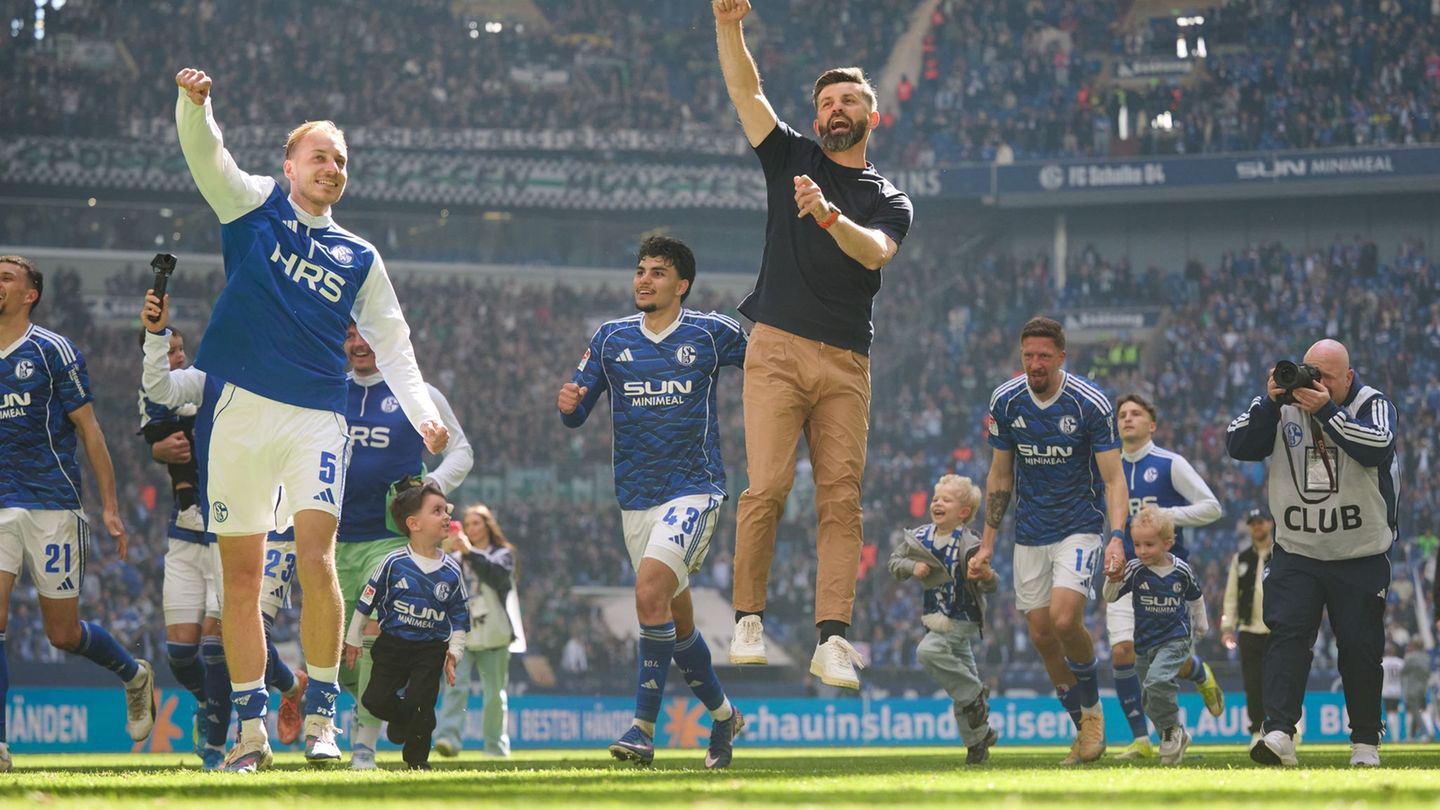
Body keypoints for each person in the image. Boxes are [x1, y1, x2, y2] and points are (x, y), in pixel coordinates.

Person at [174, 68, 448, 771]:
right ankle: (252, 732)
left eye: (342, 161)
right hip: (236, 412)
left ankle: (323, 722)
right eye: (321, 156)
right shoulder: (255, 206)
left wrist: (421, 415)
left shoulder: (360, 255)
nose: (333, 168)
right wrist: (195, 107)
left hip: (316, 417)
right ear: (290, 165)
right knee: (240, 578)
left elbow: (394, 343)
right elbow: (208, 159)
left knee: (316, 560)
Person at [711, 0, 914, 689]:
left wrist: (827, 216)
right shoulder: (791, 155)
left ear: (870, 115)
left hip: (846, 361)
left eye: (848, 98)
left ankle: (833, 638)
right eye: (826, 99)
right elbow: (747, 91)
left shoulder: (889, 197)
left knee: (841, 498)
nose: (834, 108)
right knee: (765, 486)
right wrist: (728, 26)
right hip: (775, 347)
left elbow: (875, 254)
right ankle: (748, 619)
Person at [557, 236, 747, 768]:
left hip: (695, 488)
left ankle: (641, 729)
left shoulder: (711, 333)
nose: (644, 279)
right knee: (675, 623)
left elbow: (768, 361)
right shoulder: (611, 337)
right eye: (640, 270)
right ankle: (726, 715)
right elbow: (577, 408)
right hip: (636, 499)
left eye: (658, 272)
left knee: (646, 595)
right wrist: (569, 404)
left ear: (681, 284)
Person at [140, 292, 309, 767]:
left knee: (219, 640)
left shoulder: (276, 375)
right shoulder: (201, 381)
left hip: (248, 523)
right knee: (180, 652)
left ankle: (222, 742)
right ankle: (282, 687)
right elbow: (160, 408)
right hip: (192, 525)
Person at [0, 255, 155, 772]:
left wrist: (110, 506)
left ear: (29, 294)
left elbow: (90, 429)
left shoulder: (52, 350)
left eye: (5, 277)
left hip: (52, 503)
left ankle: (133, 674)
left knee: (62, 635)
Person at [1226, 338, 1397, 768]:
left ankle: (1364, 743)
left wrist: (1325, 409)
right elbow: (1239, 444)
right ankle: (1279, 732)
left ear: (1349, 377)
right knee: (1287, 636)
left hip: (1360, 551)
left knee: (1359, 646)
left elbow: (1378, 446)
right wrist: (1268, 403)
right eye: (1308, 371)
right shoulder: (1281, 402)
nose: (1314, 382)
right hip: (1298, 549)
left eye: (1326, 377)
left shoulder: (1372, 404)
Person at [968, 316, 1129, 765]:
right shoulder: (1006, 400)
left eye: (1043, 356)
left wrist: (1117, 538)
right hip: (1030, 532)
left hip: (1078, 525)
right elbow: (1000, 475)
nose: (1035, 364)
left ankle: (1095, 714)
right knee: (1040, 633)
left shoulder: (1089, 403)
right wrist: (986, 544)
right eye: (1028, 356)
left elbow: (1114, 479)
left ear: (1061, 357)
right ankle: (1082, 727)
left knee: (1063, 620)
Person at [335, 322, 473, 770]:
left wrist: (428, 488)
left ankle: (363, 747)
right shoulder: (328, 390)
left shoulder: (418, 393)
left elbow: (462, 451)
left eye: (368, 334)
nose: (358, 343)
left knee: (374, 641)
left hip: (389, 542)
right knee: (340, 652)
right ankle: (371, 712)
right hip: (329, 540)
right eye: (351, 334)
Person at [1109, 393, 1223, 759]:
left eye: (1136, 414)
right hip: (1125, 574)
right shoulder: (1109, 468)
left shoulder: (1170, 463)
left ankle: (1197, 672)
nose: (1127, 419)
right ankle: (1144, 740)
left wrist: (1167, 516)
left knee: (1158, 655)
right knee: (1123, 651)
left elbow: (1212, 507)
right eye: (1122, 414)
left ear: (1151, 424)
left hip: (1166, 580)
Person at [343, 483, 468, 770]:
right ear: (414, 523)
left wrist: (455, 651)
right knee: (374, 700)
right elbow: (365, 603)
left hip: (430, 648)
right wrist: (353, 639)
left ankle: (417, 761)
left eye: (446, 509)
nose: (447, 516)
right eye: (437, 511)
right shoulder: (393, 562)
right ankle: (402, 718)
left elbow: (460, 616)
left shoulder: (451, 570)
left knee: (422, 703)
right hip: (393, 644)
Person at [887, 475, 998, 764]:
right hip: (935, 616)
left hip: (962, 617)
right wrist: (913, 566)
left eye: (946, 499)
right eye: (936, 498)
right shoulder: (920, 538)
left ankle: (975, 694)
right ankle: (978, 742)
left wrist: (984, 574)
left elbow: (992, 582)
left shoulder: (971, 542)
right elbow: (893, 562)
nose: (938, 503)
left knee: (928, 651)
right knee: (961, 680)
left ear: (963, 512)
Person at [1102, 507, 1221, 765]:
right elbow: (1110, 597)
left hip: (1175, 638)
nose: (1142, 550)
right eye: (1136, 544)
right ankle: (1176, 733)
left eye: (1149, 544)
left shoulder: (1181, 571)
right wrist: (1112, 578)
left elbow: (1195, 598)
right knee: (1148, 695)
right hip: (1144, 643)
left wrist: (1201, 626)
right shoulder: (1134, 570)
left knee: (1156, 683)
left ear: (1168, 542)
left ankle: (1169, 732)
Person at [435, 504, 525, 759]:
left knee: (495, 694)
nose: (472, 528)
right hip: (462, 633)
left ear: (488, 525)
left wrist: (470, 552)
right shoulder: (455, 557)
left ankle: (495, 747)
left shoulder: (503, 553)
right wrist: (448, 551)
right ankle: (448, 738)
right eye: (468, 523)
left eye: (477, 523)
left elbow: (497, 576)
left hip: (495, 632)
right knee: (455, 686)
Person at [1220, 508, 1275, 746]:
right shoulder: (1240, 559)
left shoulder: (1282, 556)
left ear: (1270, 524)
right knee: (1253, 683)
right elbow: (1231, 596)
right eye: (1253, 523)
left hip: (1277, 629)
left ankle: (1285, 727)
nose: (1257, 527)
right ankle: (1256, 730)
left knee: (1279, 681)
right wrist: (1227, 627)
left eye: (1261, 522)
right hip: (1249, 629)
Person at [1400, 638, 1432, 742]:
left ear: (1413, 646)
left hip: (1412, 688)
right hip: (1423, 688)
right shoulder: (1426, 657)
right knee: (1416, 711)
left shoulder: (1410, 657)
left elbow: (1403, 671)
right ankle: (1411, 736)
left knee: (1415, 712)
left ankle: (1424, 734)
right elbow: (1428, 673)